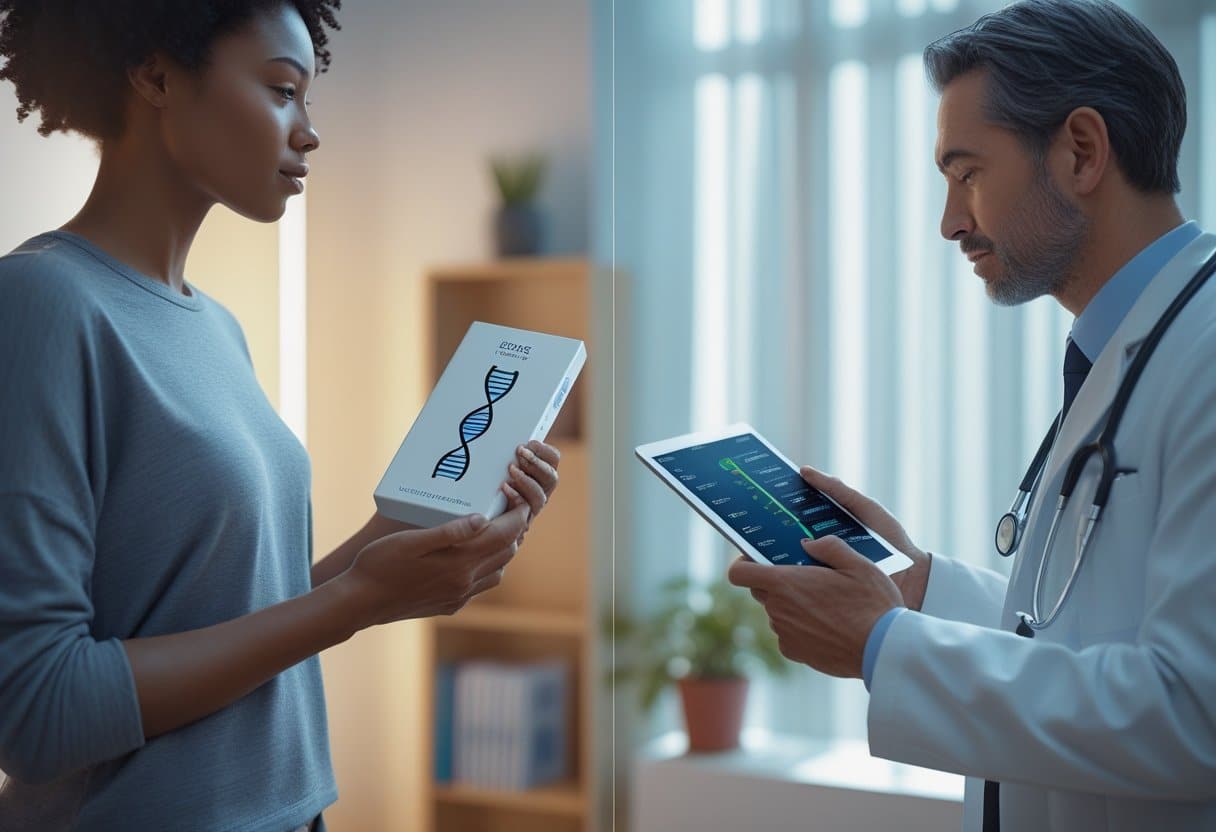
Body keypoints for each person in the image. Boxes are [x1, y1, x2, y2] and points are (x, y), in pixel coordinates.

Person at [0, 3, 563, 830]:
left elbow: (235, 618)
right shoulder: (42, 304)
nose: (308, 133)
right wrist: (359, 601)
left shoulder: (215, 326)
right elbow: (38, 711)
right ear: (155, 75)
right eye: (279, 90)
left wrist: (401, 546)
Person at [727, 1, 1216, 830]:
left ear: (1082, 152)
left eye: (969, 174)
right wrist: (921, 589)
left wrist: (885, 647)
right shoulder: (1131, 347)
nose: (951, 221)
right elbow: (1086, 639)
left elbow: (1193, 713)